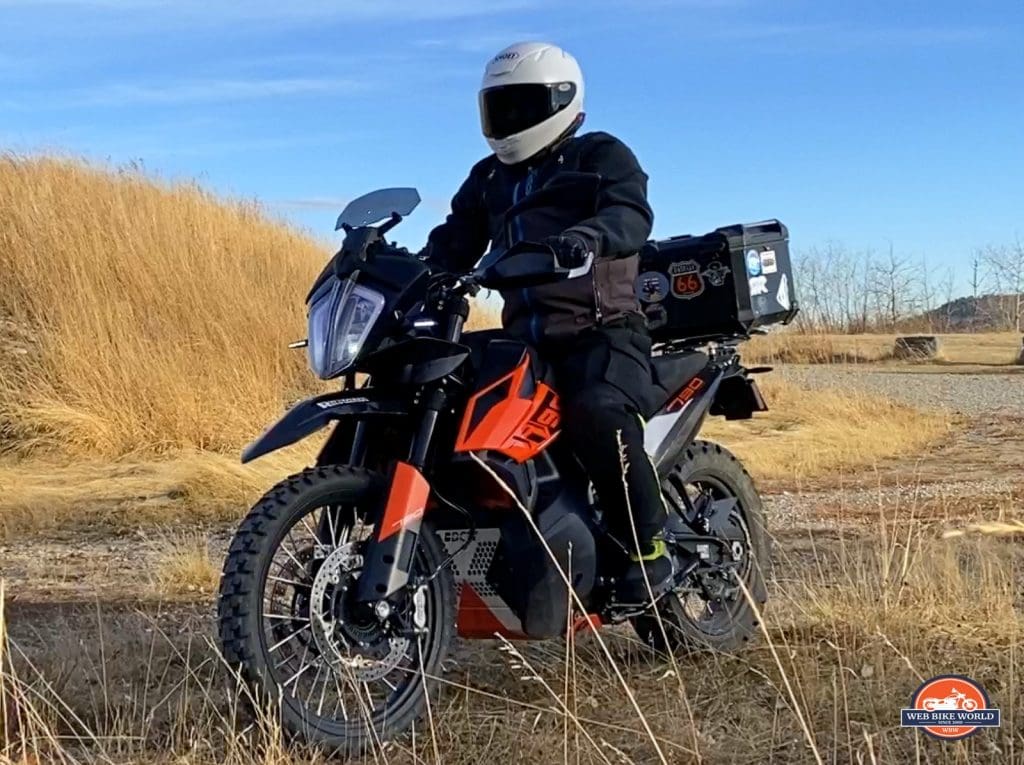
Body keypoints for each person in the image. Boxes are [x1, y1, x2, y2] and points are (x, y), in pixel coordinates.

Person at [420, 41, 670, 601]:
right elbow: (454, 240)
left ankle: (647, 550)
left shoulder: (601, 156)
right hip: (523, 341)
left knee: (597, 410)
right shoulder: (489, 177)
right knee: (446, 398)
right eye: (499, 106)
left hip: (602, 330)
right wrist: (416, 271)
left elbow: (629, 213)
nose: (509, 120)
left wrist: (587, 237)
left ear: (563, 102)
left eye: (522, 105)